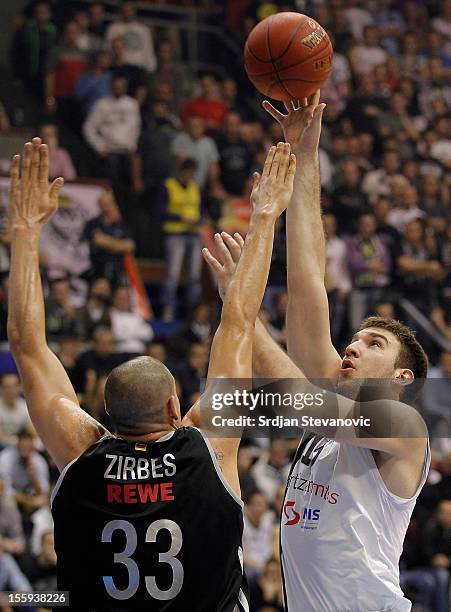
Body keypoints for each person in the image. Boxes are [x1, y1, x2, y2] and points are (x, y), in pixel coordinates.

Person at [7, 137, 295, 609]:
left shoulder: (82, 452)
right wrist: (264, 216)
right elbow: (239, 322)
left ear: (104, 412)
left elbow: (26, 344)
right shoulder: (210, 447)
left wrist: (24, 229)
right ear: (173, 406)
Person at [205, 93, 430, 611]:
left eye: (374, 344)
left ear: (401, 379)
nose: (352, 345)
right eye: (355, 338)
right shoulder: (331, 408)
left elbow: (295, 396)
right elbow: (308, 282)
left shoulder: (405, 430)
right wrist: (305, 155)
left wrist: (239, 303)